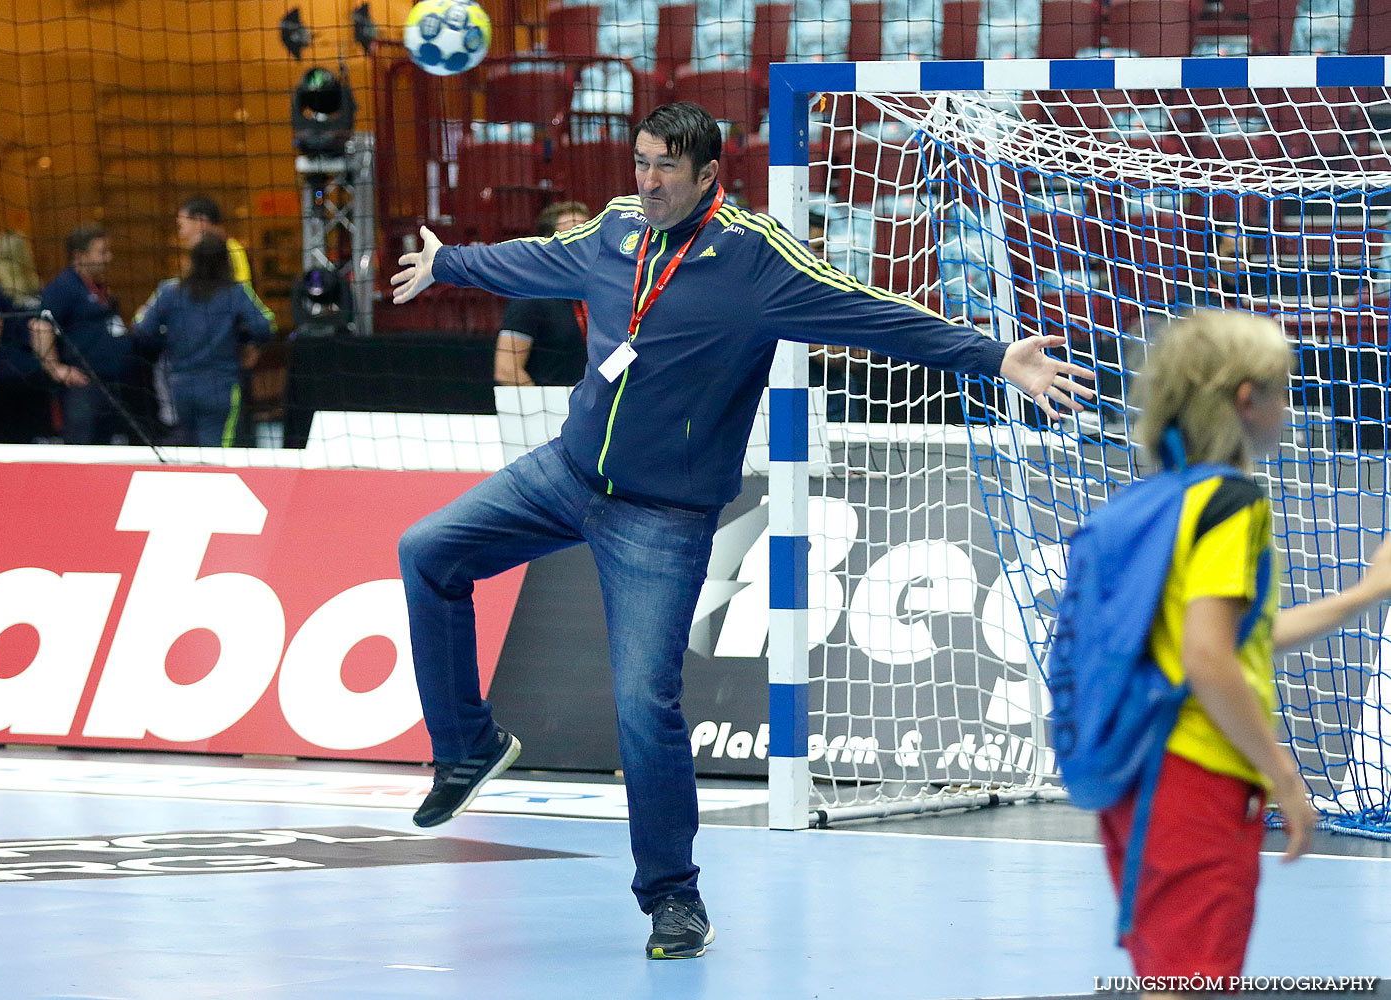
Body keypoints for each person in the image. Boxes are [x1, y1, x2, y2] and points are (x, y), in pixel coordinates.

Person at [389, 101, 1092, 960]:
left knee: (643, 706)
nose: (645, 183)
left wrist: (992, 355)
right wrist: (449, 261)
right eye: (639, 163)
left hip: (663, 516)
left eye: (664, 171)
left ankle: (673, 901)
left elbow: (867, 309)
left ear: (709, 175)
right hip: (566, 474)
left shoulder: (756, 260)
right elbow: (538, 260)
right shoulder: (614, 228)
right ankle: (467, 746)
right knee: (427, 551)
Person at [1097, 310, 1391, 996]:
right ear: (1246, 400)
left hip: (1133, 777)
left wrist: (1363, 595)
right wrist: (1281, 773)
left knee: (1169, 974)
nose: (1291, 409)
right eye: (1283, 391)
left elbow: (1227, 638)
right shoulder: (1232, 505)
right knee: (1195, 981)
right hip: (1198, 776)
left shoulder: (1152, 501)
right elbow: (1209, 659)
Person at [131, 233, 273, 447]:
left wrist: (167, 339)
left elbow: (142, 329)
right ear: (225, 262)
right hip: (221, 386)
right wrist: (247, 344)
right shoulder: (235, 293)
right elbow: (265, 326)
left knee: (188, 448)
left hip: (180, 387)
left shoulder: (170, 291)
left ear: (191, 260)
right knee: (216, 451)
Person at [174, 195, 275, 443]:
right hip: (203, 369)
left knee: (224, 439)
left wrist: (252, 345)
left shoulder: (229, 252)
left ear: (201, 221)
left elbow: (245, 306)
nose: (181, 233)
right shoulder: (203, 256)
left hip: (225, 365)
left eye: (182, 225)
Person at [30, 224, 137, 445]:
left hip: (110, 386)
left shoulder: (95, 287)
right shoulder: (63, 288)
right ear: (80, 256)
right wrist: (56, 369)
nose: (109, 257)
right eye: (101, 252)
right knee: (83, 448)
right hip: (82, 391)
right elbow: (40, 326)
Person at [493, 201, 591, 387]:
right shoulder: (530, 296)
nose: (582, 242)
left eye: (587, 234)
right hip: (551, 409)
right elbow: (507, 369)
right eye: (573, 234)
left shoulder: (595, 293)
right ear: (548, 243)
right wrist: (542, 409)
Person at [0, 231, 54, 443]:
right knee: (32, 439)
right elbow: (44, 332)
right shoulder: (39, 291)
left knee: (4, 440)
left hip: (5, 374)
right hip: (35, 373)